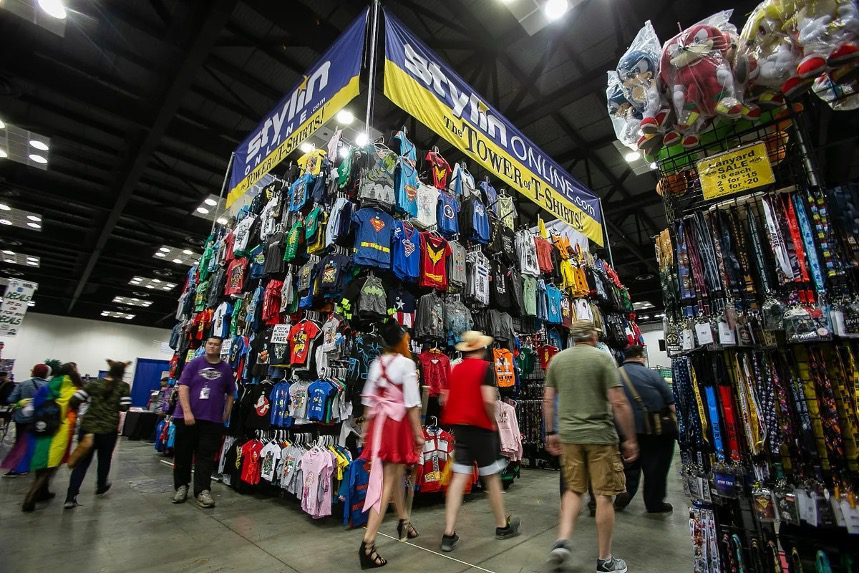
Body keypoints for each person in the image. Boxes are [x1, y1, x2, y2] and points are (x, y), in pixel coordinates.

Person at [543, 321, 638, 573]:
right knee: (604, 495)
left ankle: (562, 541)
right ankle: (605, 560)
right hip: (600, 437)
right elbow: (618, 402)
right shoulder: (603, 359)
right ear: (594, 336)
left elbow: (548, 400)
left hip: (569, 437)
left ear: (574, 337)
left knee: (573, 490)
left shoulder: (557, 361)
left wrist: (551, 432)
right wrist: (629, 438)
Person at [440, 330, 521, 552]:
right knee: (491, 477)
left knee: (459, 477)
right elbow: (488, 400)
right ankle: (502, 525)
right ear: (482, 349)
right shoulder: (486, 369)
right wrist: (492, 422)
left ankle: (448, 533)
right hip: (481, 428)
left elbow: (445, 399)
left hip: (460, 429)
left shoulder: (456, 369)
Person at [358, 319, 424, 569]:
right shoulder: (406, 364)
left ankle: (403, 520)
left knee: (393, 475)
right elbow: (412, 404)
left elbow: (369, 399)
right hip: (396, 426)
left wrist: (366, 432)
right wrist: (418, 434)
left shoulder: (377, 363)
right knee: (386, 483)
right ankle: (368, 543)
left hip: (379, 425)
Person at [172, 336, 235, 508]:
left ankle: (202, 490)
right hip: (187, 418)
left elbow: (231, 393)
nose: (212, 347)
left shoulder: (226, 369)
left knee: (205, 457)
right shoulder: (194, 364)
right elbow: (183, 387)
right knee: (183, 455)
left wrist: (226, 414)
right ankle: (181, 487)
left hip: (212, 421)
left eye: (216, 345)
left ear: (221, 348)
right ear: (206, 345)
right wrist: (187, 412)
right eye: (210, 344)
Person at [613, 345, 676, 514]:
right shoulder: (651, 375)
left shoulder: (615, 375)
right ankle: (654, 503)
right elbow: (671, 403)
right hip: (654, 430)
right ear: (641, 357)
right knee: (655, 467)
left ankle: (623, 496)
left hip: (624, 430)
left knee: (629, 466)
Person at [63, 359, 132, 509]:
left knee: (82, 463)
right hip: (108, 430)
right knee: (105, 459)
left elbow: (74, 400)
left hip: (88, 428)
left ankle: (70, 496)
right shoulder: (123, 386)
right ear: (122, 373)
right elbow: (125, 407)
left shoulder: (94, 384)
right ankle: (101, 485)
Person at [22, 362, 83, 512]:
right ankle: (30, 498)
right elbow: (75, 408)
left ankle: (43, 491)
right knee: (51, 464)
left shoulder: (50, 384)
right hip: (60, 429)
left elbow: (34, 404)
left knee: (42, 460)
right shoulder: (73, 387)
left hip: (41, 426)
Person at [2, 364, 51, 477]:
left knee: (20, 442)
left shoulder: (24, 384)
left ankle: (18, 468)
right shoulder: (49, 386)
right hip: (40, 419)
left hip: (23, 418)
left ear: (34, 372)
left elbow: (11, 399)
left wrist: (20, 403)